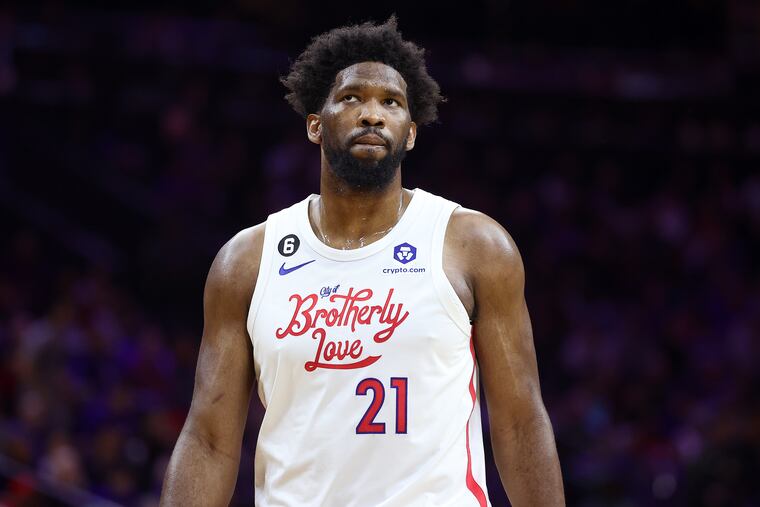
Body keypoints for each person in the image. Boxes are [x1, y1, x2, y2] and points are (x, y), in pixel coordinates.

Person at [160, 15, 565, 507]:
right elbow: (208, 439)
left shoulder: (474, 246)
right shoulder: (246, 261)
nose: (372, 114)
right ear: (315, 125)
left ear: (410, 133)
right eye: (352, 98)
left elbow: (521, 422)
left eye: (391, 102)